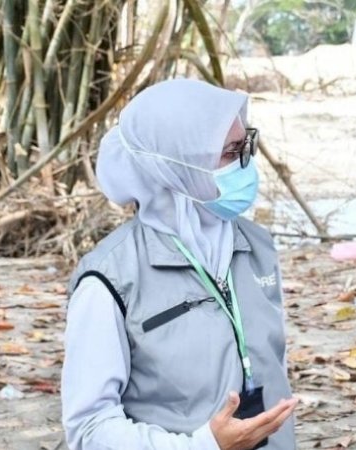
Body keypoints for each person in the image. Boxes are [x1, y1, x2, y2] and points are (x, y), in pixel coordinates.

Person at [61, 79, 298, 450]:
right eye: (229, 152)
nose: (244, 163)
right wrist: (204, 446)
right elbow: (89, 429)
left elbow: (272, 365)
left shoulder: (257, 245)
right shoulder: (109, 280)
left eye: (245, 145)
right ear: (176, 167)